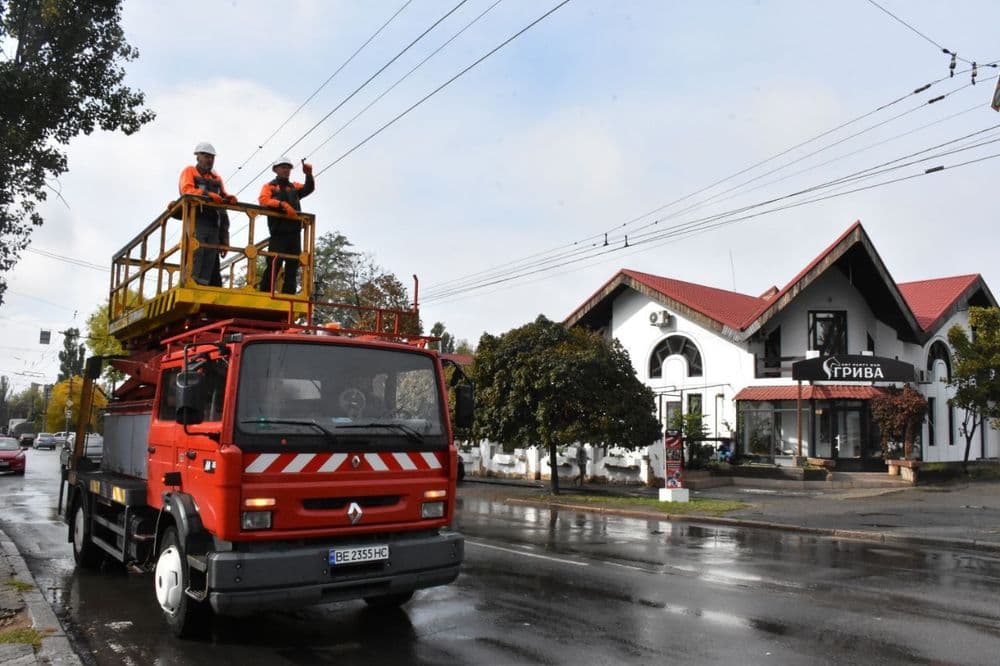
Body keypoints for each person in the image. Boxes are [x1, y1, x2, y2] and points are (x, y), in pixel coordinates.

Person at [178, 142, 237, 286]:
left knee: (210, 255)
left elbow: (222, 202)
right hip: (196, 220)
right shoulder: (189, 171)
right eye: (205, 156)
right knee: (197, 251)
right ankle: (190, 284)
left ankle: (202, 286)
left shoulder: (216, 178)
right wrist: (207, 194)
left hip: (213, 223)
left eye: (212, 157)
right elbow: (187, 190)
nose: (209, 159)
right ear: (197, 157)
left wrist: (227, 197)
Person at [258, 156, 315, 294]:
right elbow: (263, 200)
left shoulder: (293, 187)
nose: (286, 170)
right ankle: (265, 292)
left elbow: (308, 188)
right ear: (276, 169)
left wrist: (308, 175)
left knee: (293, 264)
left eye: (288, 168)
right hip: (278, 233)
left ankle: (288, 294)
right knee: (274, 263)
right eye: (283, 167)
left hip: (294, 233)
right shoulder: (270, 186)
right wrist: (281, 205)